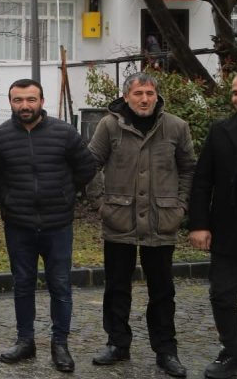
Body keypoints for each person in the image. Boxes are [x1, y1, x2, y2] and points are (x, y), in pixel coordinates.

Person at [88, 72, 192, 377]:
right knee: (117, 287)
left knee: (162, 290)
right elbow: (89, 164)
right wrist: (100, 204)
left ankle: (166, 350)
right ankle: (117, 343)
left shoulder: (176, 127)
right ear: (126, 96)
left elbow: (188, 170)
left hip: (162, 220)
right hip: (119, 219)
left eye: (149, 93)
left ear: (157, 96)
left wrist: (181, 205)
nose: (144, 99)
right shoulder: (110, 126)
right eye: (138, 94)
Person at [0, 78, 96, 373]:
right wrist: (6, 200)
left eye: (31, 99)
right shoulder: (0, 137)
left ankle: (59, 345)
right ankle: (25, 341)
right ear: (10, 102)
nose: (25, 106)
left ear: (42, 101)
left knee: (60, 286)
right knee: (22, 285)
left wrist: (64, 193)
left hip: (57, 225)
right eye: (18, 100)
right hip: (19, 225)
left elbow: (86, 167)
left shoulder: (64, 133)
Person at [189, 73, 237, 379]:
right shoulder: (220, 131)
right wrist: (199, 224)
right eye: (234, 92)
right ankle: (234, 353)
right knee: (222, 295)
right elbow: (202, 181)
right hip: (228, 233)